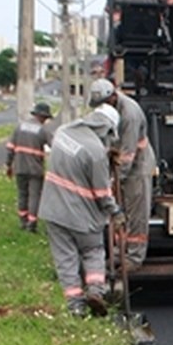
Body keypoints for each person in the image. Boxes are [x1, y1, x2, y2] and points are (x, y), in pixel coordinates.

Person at [39, 86, 124, 317]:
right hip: (82, 217)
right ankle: (96, 290)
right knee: (93, 251)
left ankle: (75, 306)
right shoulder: (96, 151)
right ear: (106, 128)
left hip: (53, 210)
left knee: (65, 258)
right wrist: (115, 212)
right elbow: (101, 192)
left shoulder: (64, 132)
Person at [99, 79, 155, 268]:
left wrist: (117, 178)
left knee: (136, 213)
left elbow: (128, 153)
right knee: (121, 212)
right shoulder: (111, 110)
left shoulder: (129, 114)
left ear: (113, 97)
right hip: (122, 167)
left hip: (138, 167)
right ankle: (119, 252)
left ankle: (135, 257)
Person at [5, 101, 56, 232]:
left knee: (22, 194)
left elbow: (10, 147)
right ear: (42, 116)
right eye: (45, 118)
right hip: (35, 169)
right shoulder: (43, 130)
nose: (45, 121)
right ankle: (31, 224)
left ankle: (23, 221)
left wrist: (9, 165)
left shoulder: (20, 127)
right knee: (34, 195)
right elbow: (55, 147)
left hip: (20, 167)